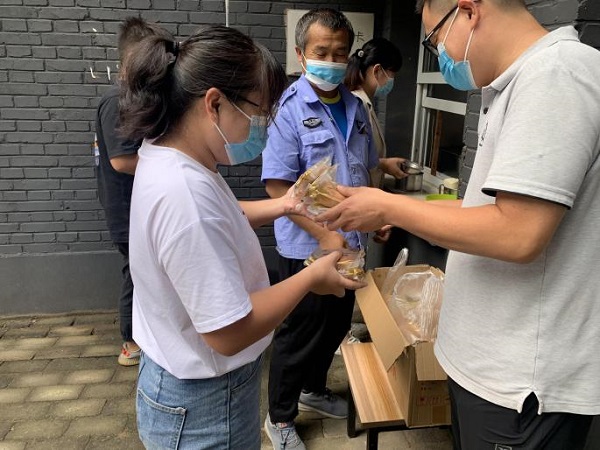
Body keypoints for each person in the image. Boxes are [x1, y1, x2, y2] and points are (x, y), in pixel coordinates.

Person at [317, 0, 600, 448]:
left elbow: (518, 233)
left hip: (520, 384)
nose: (441, 56)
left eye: (435, 39)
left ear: (469, 11)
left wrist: (387, 208)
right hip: (489, 368)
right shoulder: (515, 83)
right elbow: (485, 212)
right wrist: (382, 204)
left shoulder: (556, 75)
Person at [118, 22, 365, 450]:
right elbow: (229, 332)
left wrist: (286, 205)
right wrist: (311, 278)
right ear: (214, 103)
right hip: (205, 405)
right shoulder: (185, 194)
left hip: (180, 380)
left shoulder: (171, 156)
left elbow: (223, 217)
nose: (262, 127)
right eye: (258, 112)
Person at [260, 8, 403, 449]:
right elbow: (277, 186)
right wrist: (324, 235)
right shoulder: (289, 109)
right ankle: (279, 418)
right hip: (307, 245)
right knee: (299, 332)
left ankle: (313, 390)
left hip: (351, 242)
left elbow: (360, 168)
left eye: (340, 53)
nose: (331, 61)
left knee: (335, 323)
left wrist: (378, 216)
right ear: (302, 55)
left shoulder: (355, 107)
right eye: (321, 52)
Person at [95, 17, 168, 366]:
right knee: (136, 273)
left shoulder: (133, 98)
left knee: (142, 270)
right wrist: (172, 165)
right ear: (129, 61)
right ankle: (131, 342)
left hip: (138, 206)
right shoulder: (117, 100)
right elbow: (122, 161)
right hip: (126, 209)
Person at [345, 37, 405, 188]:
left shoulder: (365, 103)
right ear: (377, 70)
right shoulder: (357, 104)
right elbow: (352, 160)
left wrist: (384, 165)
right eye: (392, 73)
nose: (392, 80)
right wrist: (384, 164)